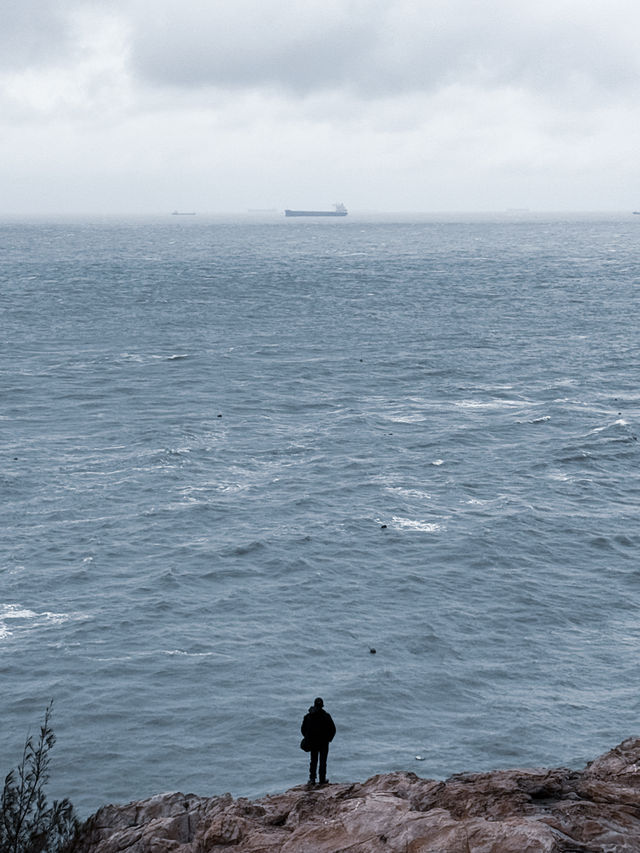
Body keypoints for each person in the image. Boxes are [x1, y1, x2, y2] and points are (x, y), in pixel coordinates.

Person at [301, 697, 336, 785]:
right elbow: (333, 729)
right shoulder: (326, 716)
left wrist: (308, 738)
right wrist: (329, 739)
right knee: (323, 761)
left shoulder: (308, 716)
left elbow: (303, 729)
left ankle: (312, 779)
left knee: (313, 761)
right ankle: (322, 780)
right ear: (322, 706)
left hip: (313, 743)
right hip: (324, 743)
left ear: (314, 704)